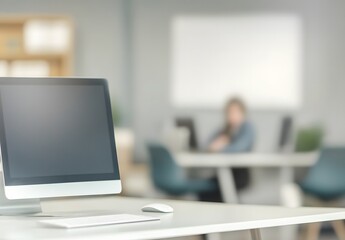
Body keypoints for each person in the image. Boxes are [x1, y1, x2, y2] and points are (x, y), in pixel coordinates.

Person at [208, 97, 255, 190]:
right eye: (229, 112)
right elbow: (208, 145)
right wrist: (214, 145)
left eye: (235, 112)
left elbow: (240, 147)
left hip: (239, 174)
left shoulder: (247, 127)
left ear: (242, 113)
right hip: (223, 173)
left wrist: (221, 147)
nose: (231, 115)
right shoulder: (225, 129)